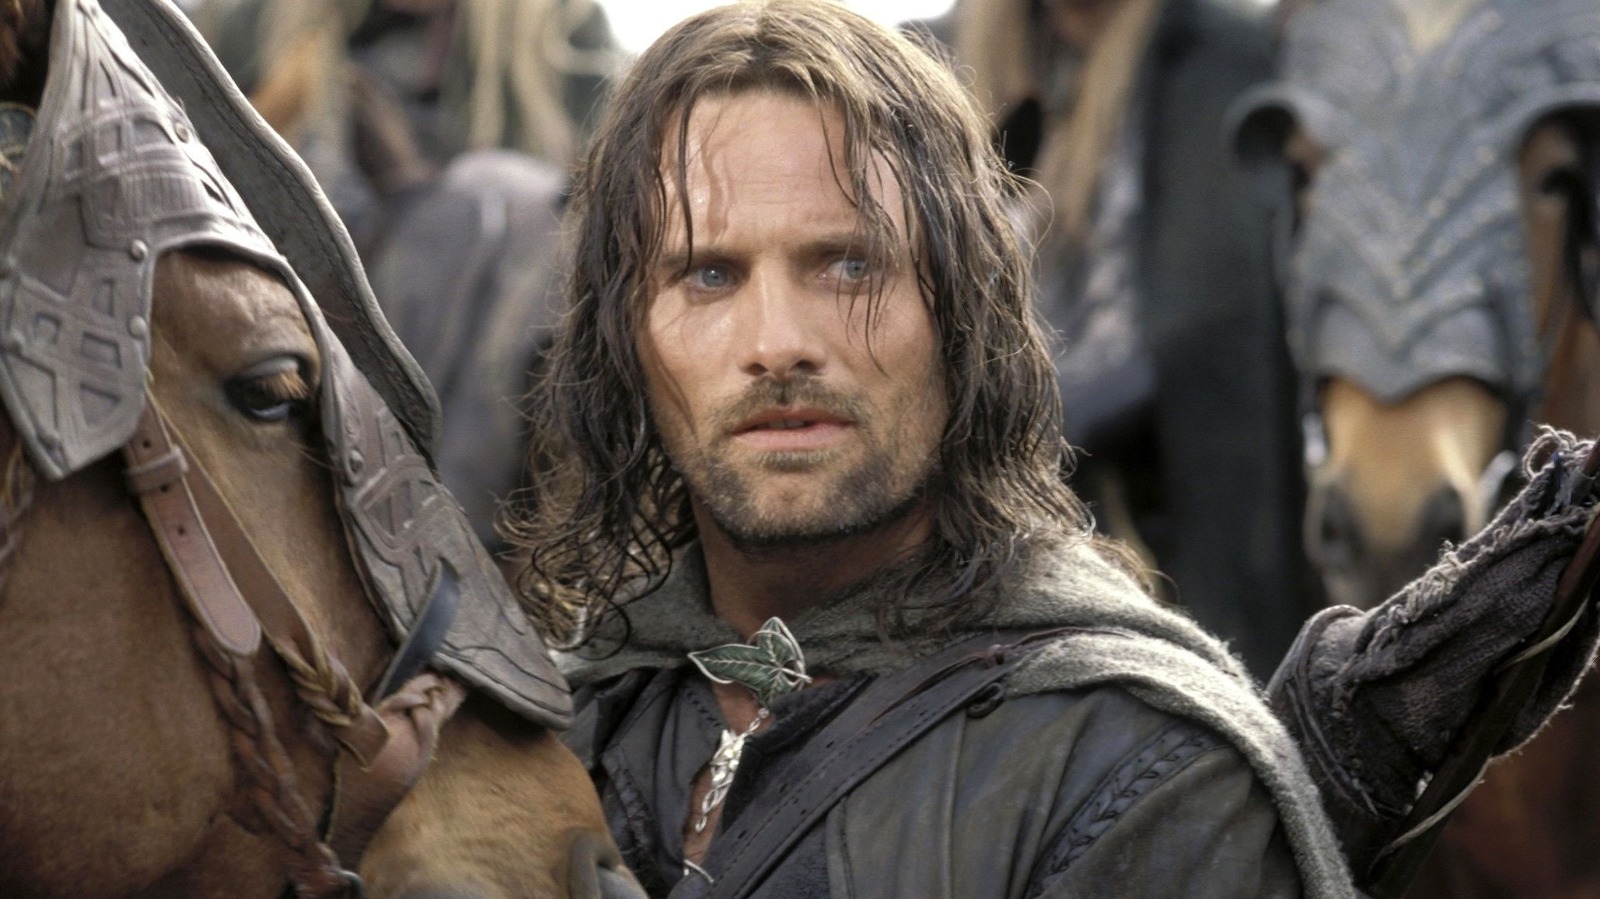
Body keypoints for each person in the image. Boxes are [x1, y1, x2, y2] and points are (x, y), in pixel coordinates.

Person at [509, 2, 1600, 896]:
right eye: (708, 274)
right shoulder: (555, 730)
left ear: (962, 315)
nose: (778, 340)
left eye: (849, 265)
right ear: (624, 338)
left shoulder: (1131, 766)